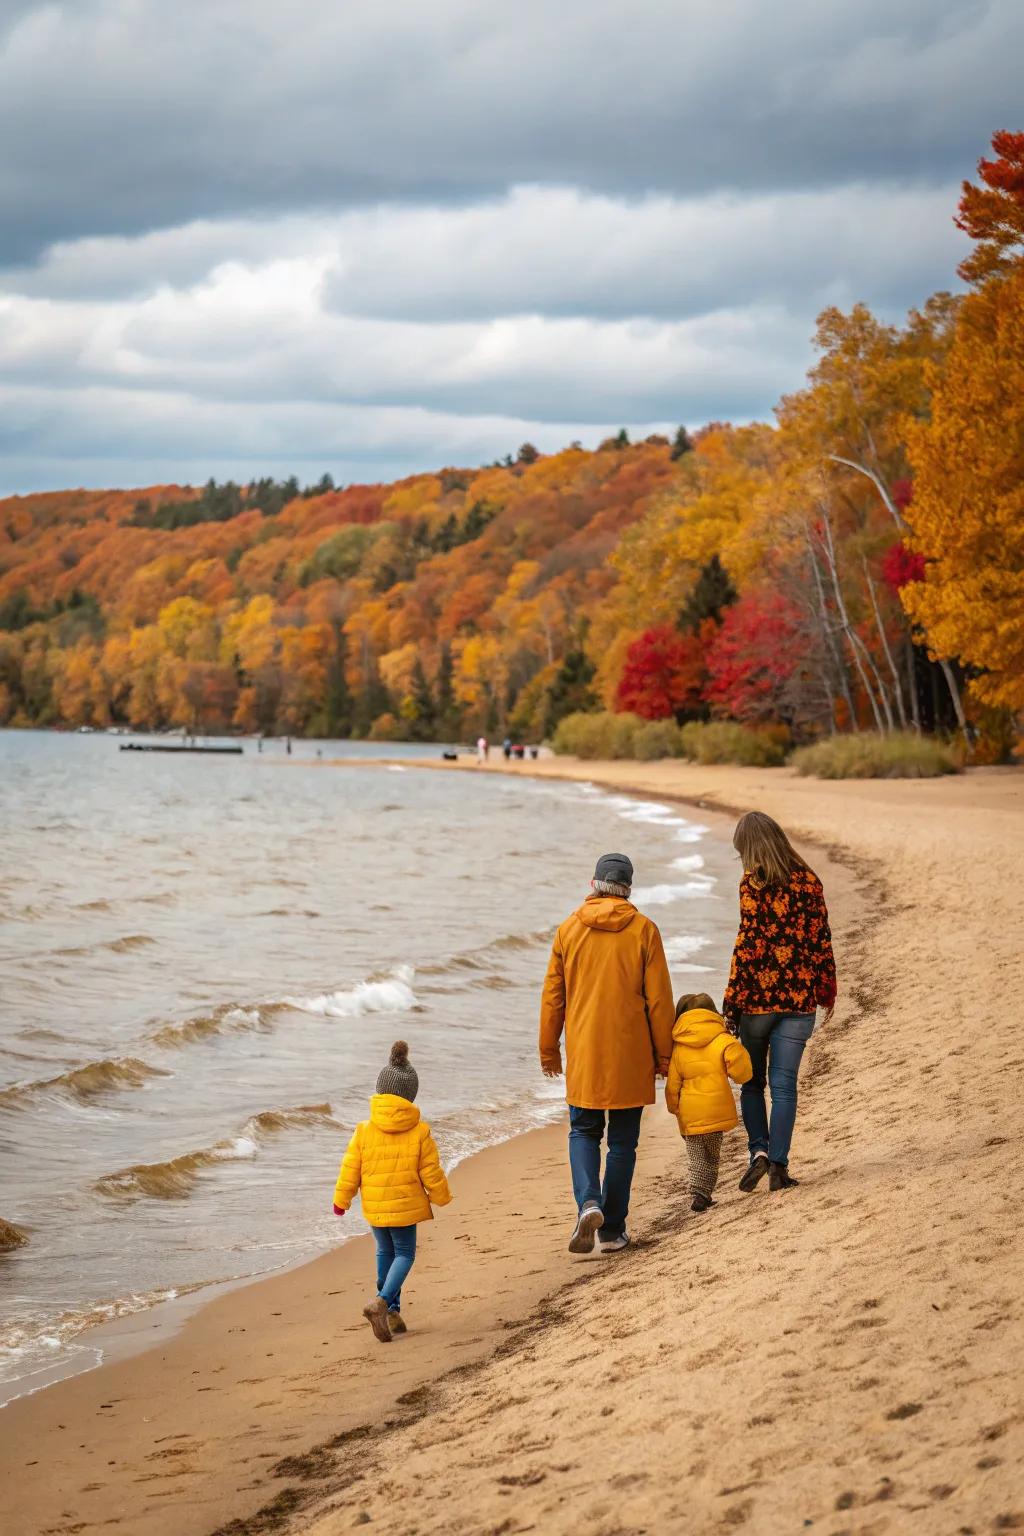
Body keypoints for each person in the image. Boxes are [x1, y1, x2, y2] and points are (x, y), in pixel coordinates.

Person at [540, 853, 674, 1254]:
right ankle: (613, 1230)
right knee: (622, 1142)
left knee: (583, 1131)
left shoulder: (568, 930)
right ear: (628, 889)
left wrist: (549, 1050)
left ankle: (589, 1202)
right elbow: (659, 1002)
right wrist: (664, 1056)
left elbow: (553, 998)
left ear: (593, 884)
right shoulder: (644, 930)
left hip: (585, 1051)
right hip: (631, 1054)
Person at [723, 811, 837, 1193]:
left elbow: (747, 947)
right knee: (785, 1086)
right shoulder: (808, 881)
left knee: (752, 1084)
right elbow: (822, 939)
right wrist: (827, 988)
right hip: (799, 1000)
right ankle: (779, 1166)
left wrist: (731, 1004)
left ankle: (758, 1150)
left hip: (757, 1003)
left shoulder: (751, 885)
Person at [332, 1040, 452, 1342]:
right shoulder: (419, 1131)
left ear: (379, 1091)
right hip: (404, 1205)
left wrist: (341, 1200)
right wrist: (441, 1195)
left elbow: (350, 1169)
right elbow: (430, 1170)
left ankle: (393, 1311)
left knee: (385, 1251)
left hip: (375, 1206)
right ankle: (382, 1302)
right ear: (411, 1095)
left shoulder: (364, 1130)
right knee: (405, 1254)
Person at [665, 992, 752, 1212]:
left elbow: (673, 1085)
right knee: (712, 1156)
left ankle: (699, 1192)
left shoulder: (678, 1048)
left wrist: (674, 1109)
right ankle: (704, 1193)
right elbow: (742, 1071)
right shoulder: (723, 1040)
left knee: (695, 1156)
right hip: (716, 1110)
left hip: (690, 1113)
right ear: (713, 1013)